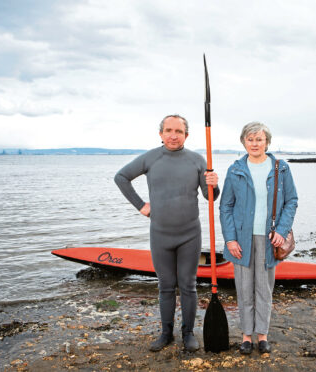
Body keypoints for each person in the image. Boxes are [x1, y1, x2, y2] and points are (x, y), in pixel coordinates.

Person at [114, 114, 219, 352]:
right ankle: (166, 333)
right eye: (168, 130)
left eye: (179, 131)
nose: (173, 135)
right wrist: (141, 205)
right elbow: (121, 177)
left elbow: (210, 197)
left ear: (186, 135)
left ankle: (188, 333)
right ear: (160, 134)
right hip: (160, 234)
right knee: (166, 286)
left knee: (189, 285)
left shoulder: (197, 160)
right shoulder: (151, 158)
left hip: (190, 234)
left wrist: (214, 183)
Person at [219, 122, 298, 355]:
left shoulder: (280, 168)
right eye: (250, 139)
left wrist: (282, 230)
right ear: (244, 142)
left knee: (264, 289)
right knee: (244, 289)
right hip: (241, 240)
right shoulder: (235, 170)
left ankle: (262, 335)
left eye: (259, 139)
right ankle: (246, 336)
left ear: (267, 142)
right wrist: (230, 239)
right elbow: (226, 206)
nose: (255, 143)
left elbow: (291, 200)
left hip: (269, 239)